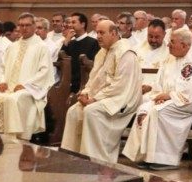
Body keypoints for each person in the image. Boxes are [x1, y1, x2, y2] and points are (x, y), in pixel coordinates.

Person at [123, 27, 192, 169]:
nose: (168, 45)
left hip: (190, 102)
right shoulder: (170, 58)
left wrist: (169, 97)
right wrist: (159, 96)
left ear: (184, 45)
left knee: (158, 112)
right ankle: (145, 155)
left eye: (172, 42)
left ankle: (165, 159)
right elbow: (158, 83)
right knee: (144, 108)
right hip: (170, 99)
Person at [60, 20, 142, 163]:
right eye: (97, 32)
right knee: (73, 111)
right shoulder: (102, 52)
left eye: (101, 33)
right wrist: (85, 93)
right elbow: (93, 79)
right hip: (102, 97)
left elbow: (120, 86)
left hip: (122, 99)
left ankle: (97, 160)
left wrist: (94, 99)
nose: (97, 36)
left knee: (91, 111)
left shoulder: (126, 53)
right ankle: (71, 157)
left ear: (114, 33)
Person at [0, 13, 54, 139]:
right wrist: (2, 81)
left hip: (30, 90)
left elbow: (44, 72)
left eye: (27, 25)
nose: (24, 28)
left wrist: (26, 85)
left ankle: (13, 139)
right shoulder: (12, 46)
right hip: (8, 87)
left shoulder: (42, 47)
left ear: (34, 27)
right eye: (21, 25)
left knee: (13, 100)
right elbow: (1, 67)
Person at [60, 12, 100, 93]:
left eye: (73, 22)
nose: (70, 25)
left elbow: (94, 65)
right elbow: (60, 61)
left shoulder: (93, 42)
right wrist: (66, 41)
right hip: (69, 84)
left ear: (83, 24)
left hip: (85, 84)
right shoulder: (70, 43)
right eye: (70, 22)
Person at [135, 19, 170, 93]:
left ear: (164, 34)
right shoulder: (136, 49)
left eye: (157, 37)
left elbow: (169, 77)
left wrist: (151, 87)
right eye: (150, 36)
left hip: (157, 92)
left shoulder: (170, 52)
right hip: (136, 89)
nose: (153, 40)